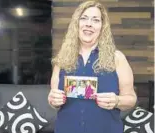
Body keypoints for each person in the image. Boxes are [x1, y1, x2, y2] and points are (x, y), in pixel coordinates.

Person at [48, 1, 137, 133]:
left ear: (102, 27)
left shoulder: (117, 58)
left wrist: (117, 101)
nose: (88, 23)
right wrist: (53, 100)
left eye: (95, 20)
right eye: (84, 18)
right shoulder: (62, 59)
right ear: (76, 24)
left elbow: (131, 99)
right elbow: (54, 101)